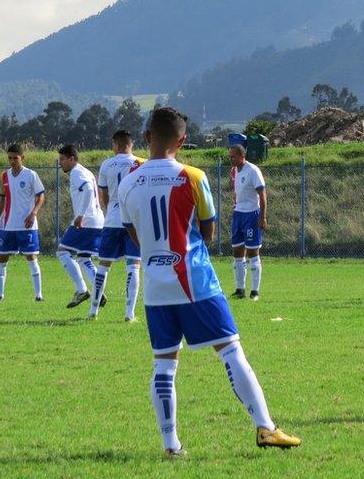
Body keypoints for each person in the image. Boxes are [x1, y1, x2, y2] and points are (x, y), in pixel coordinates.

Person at [118, 107, 299, 456]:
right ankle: (265, 426)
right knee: (231, 350)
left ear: (146, 137)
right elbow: (208, 229)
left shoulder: (128, 181)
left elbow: (133, 234)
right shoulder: (193, 176)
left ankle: (171, 445)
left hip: (155, 286)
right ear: (183, 141)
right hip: (194, 280)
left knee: (164, 363)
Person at [90, 130, 144, 321]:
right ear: (131, 144)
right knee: (133, 266)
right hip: (134, 222)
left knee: (103, 266)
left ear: (115, 145)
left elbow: (103, 196)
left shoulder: (106, 164)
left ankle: (93, 311)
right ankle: (129, 314)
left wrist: (112, 208)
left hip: (112, 220)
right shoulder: (140, 163)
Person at [0, 144, 45, 302]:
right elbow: (2, 199)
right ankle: (0, 295)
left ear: (22, 157)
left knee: (31, 258)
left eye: (15, 158)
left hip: (27, 225)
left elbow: (41, 196)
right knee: (2, 259)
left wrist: (33, 213)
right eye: (10, 158)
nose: (12, 161)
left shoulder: (31, 175)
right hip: (8, 225)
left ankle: (38, 295)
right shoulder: (4, 176)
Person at [56, 144, 105, 309]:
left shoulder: (76, 172)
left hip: (86, 221)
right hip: (98, 220)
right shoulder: (85, 171)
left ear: (72, 158)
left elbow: (89, 189)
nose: (60, 163)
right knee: (84, 258)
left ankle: (81, 289)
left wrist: (80, 215)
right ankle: (98, 288)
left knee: (62, 252)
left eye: (62, 159)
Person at [228, 144, 266, 301]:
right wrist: (232, 180)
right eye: (229, 156)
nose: (230, 159)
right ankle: (240, 289)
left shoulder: (253, 170)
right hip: (238, 214)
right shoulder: (236, 171)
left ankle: (255, 291)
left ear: (242, 156)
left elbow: (262, 195)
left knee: (252, 253)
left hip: (251, 215)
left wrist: (262, 217)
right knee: (237, 252)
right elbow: (237, 191)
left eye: (233, 156)